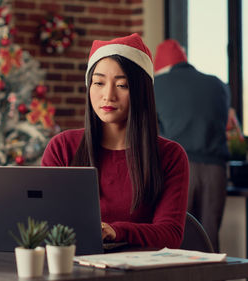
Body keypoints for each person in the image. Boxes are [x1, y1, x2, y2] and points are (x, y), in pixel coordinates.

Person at [41, 33, 189, 249]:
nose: (108, 95)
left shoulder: (170, 156)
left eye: (122, 85)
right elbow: (45, 221)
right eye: (99, 82)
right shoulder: (62, 147)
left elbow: (170, 234)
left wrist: (116, 231)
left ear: (141, 91)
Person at [153, 39, 230, 252]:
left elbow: (153, 132)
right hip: (216, 170)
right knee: (210, 238)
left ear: (162, 67)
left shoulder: (157, 85)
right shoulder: (218, 84)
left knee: (178, 237)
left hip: (178, 168)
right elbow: (224, 124)